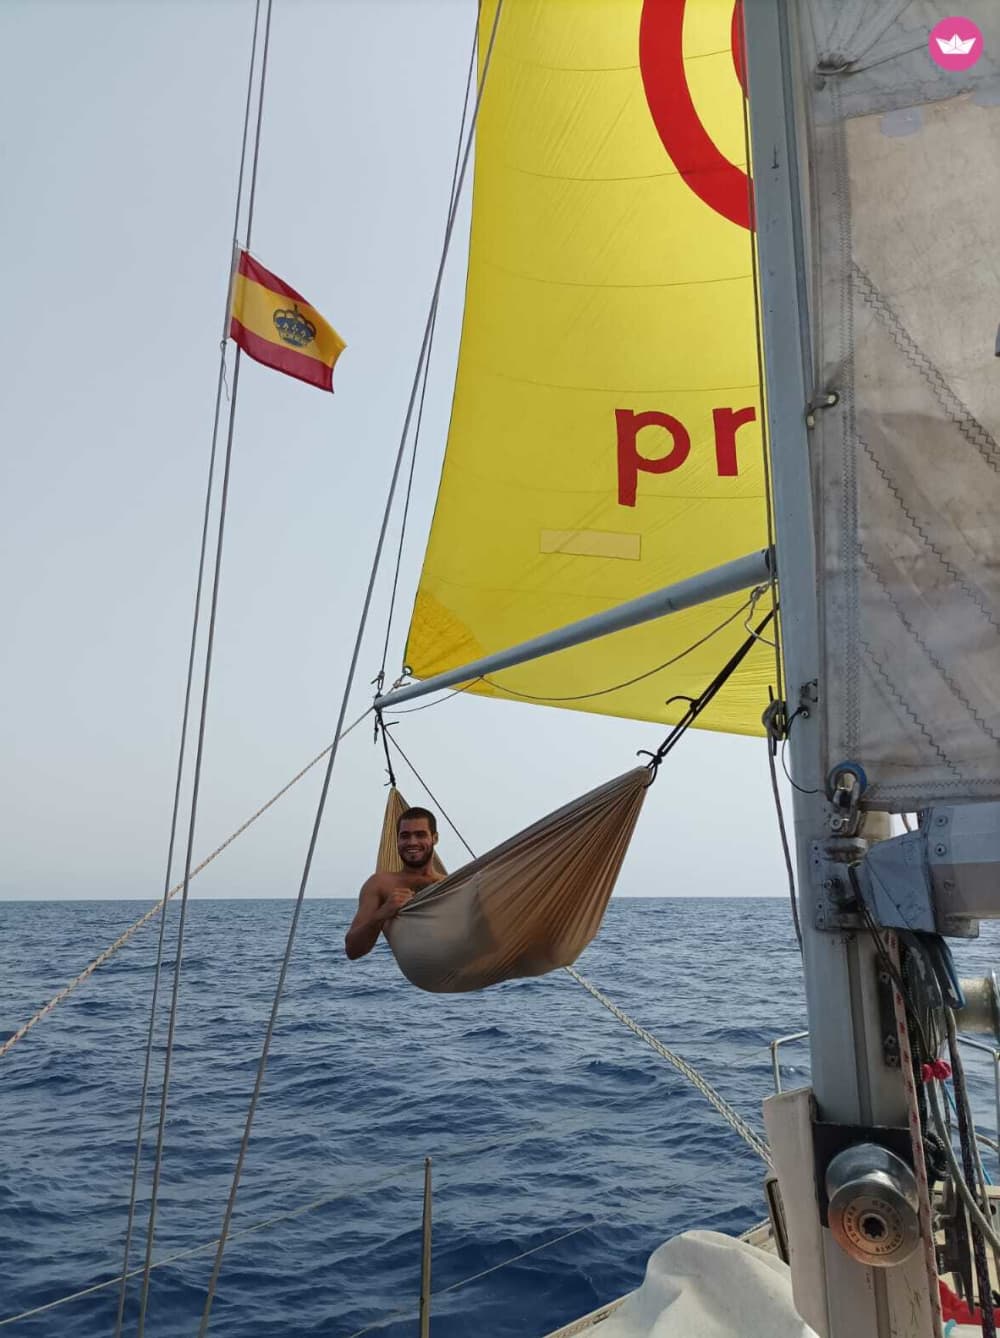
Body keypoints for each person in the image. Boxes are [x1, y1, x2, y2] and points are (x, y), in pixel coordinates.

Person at [344, 806, 444, 960]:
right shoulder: (380, 884)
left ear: (435, 838)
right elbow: (352, 950)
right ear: (397, 840)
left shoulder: (450, 885)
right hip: (418, 979)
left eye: (420, 835)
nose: (412, 842)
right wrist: (383, 913)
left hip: (460, 976)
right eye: (405, 836)